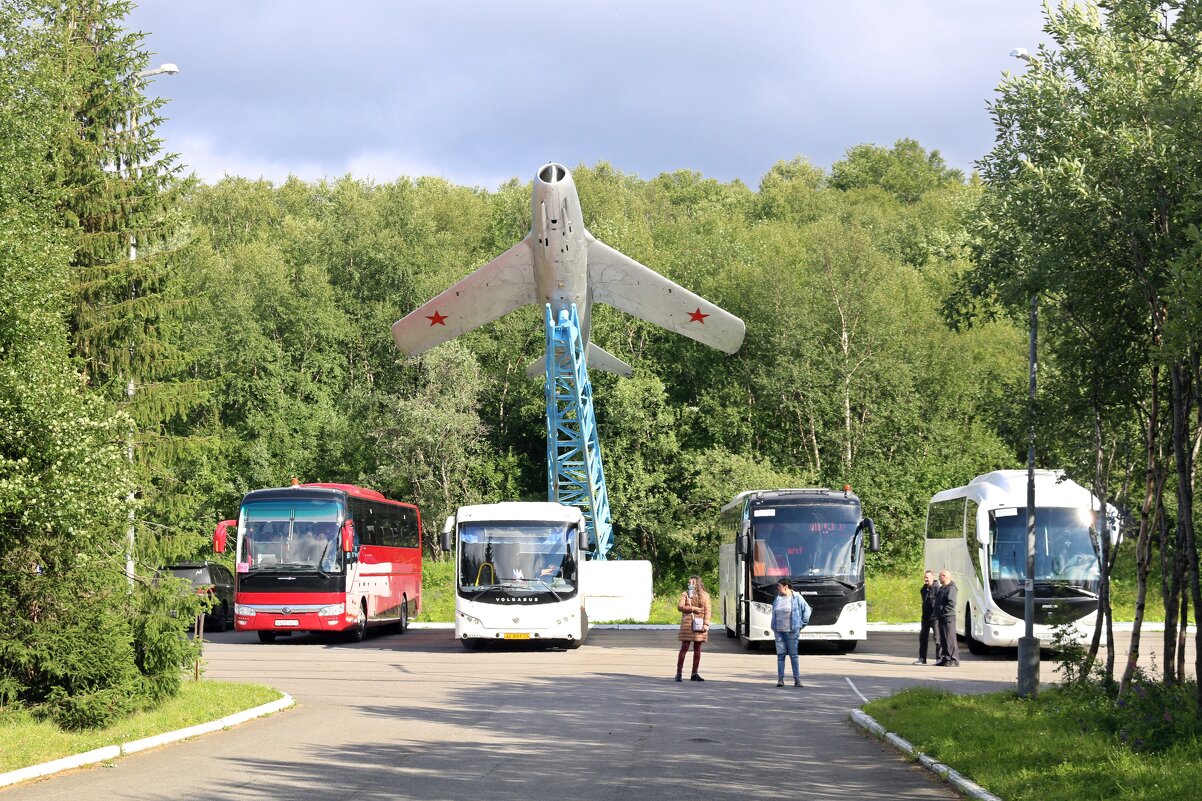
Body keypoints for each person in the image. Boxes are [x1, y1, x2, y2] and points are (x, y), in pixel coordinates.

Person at [771, 578, 811, 687]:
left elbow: (807, 610)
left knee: (793, 655)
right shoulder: (778, 598)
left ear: (786, 586)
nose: (777, 588)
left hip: (792, 631)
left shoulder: (797, 598)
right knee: (780, 655)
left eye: (779, 586)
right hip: (779, 631)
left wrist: (802, 624)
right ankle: (780, 680)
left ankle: (797, 680)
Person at [675, 575, 711, 682]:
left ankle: (694, 673)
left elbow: (708, 611)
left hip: (699, 624)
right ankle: (679, 673)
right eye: (688, 583)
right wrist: (693, 608)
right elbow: (680, 607)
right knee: (684, 648)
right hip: (687, 625)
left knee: (697, 649)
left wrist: (706, 624)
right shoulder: (685, 594)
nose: (689, 584)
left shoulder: (705, 595)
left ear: (697, 584)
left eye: (691, 583)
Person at [934, 569, 960, 667]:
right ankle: (945, 658)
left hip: (948, 617)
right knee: (943, 639)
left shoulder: (951, 588)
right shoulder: (942, 588)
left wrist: (943, 611)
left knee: (950, 638)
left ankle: (953, 659)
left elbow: (951, 603)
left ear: (945, 576)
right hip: (941, 617)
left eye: (940, 576)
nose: (939, 578)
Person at [914, 570, 937, 665]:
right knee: (923, 637)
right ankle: (922, 658)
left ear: (932, 577)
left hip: (935, 617)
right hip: (925, 617)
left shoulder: (937, 588)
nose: (926, 579)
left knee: (937, 638)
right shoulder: (923, 589)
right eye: (925, 577)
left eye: (927, 577)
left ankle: (939, 658)